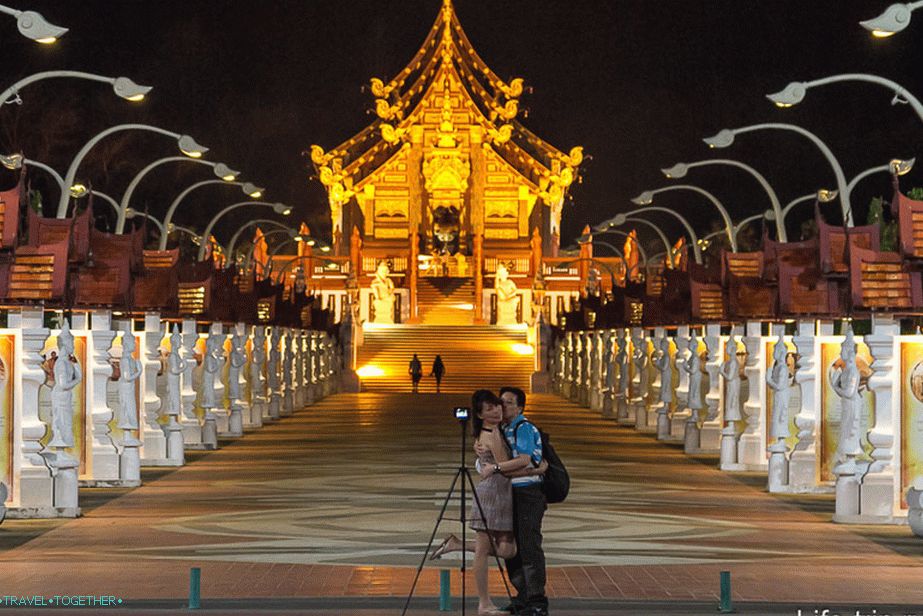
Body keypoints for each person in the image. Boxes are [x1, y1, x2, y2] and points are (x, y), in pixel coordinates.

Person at [497, 386, 547, 616]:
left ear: (519, 407)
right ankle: (522, 594)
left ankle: (536, 600)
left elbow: (526, 461)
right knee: (512, 548)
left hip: (528, 494)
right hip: (511, 493)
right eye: (502, 402)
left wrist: (500, 470)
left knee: (529, 546)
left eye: (508, 402)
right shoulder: (504, 429)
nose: (503, 406)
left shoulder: (524, 428)